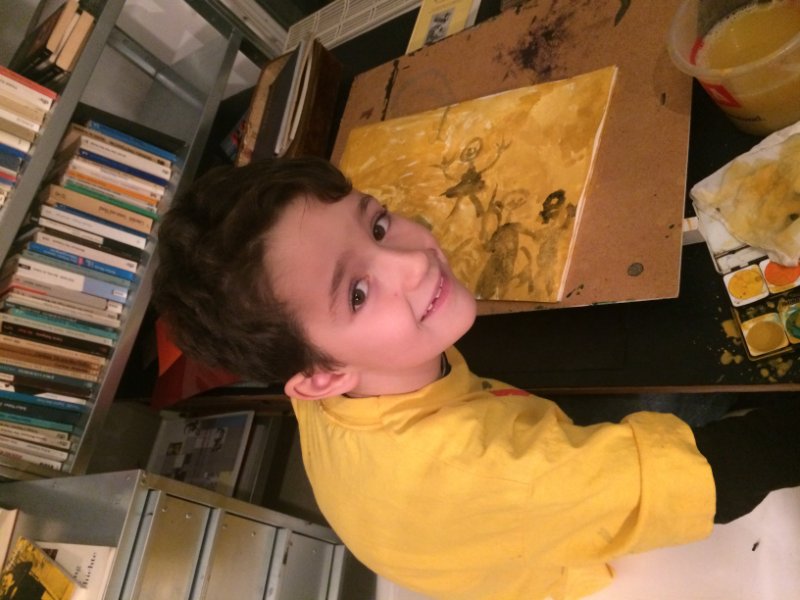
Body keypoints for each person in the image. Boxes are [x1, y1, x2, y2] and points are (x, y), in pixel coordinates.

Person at [153, 157, 800, 600]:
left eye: (377, 223)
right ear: (318, 378)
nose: (411, 260)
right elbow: (717, 480)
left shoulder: (327, 382)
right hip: (551, 560)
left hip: (449, 534)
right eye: (356, 293)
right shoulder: (490, 470)